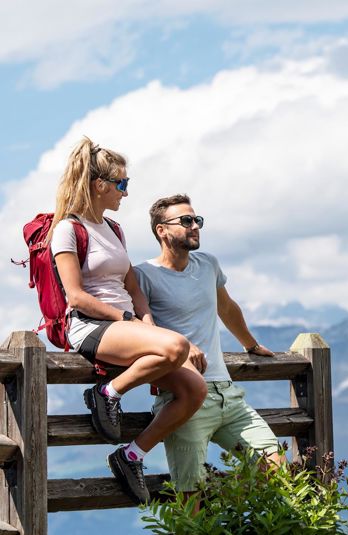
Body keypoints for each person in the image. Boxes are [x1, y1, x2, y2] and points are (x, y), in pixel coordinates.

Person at [49, 139, 207, 504]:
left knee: (194, 389)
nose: (125, 191)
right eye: (121, 183)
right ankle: (107, 393)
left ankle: (130, 455)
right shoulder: (67, 230)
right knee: (177, 346)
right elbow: (75, 296)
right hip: (91, 326)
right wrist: (128, 320)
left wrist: (146, 324)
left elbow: (132, 286)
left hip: (126, 326)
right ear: (99, 185)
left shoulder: (114, 229)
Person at [134, 194, 283, 499]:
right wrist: (182, 345)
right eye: (186, 221)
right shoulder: (142, 275)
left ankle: (221, 506)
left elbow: (226, 308)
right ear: (162, 230)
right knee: (191, 498)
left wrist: (251, 344)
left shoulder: (208, 264)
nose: (195, 226)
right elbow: (140, 331)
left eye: (197, 220)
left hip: (228, 395)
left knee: (277, 467)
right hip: (183, 399)